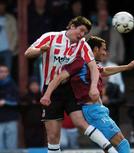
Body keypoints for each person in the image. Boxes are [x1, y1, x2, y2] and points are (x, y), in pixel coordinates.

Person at [25, 16, 117, 153]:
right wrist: (40, 50)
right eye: (80, 30)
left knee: (80, 123)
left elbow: (93, 67)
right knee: (53, 136)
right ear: (72, 26)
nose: (81, 35)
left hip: (70, 88)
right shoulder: (50, 37)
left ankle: (110, 150)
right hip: (50, 88)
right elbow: (28, 53)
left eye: (85, 33)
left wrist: (93, 87)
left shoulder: (83, 45)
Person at [41, 36, 134, 152]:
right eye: (103, 49)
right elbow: (59, 77)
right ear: (95, 49)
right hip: (93, 110)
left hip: (97, 109)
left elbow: (104, 70)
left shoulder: (90, 64)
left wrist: (127, 67)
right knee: (122, 144)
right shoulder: (80, 62)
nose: (105, 53)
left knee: (109, 147)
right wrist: (47, 94)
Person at [0, 64, 19, 149]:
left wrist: (6, 102)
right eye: (1, 72)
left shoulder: (13, 85)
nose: (3, 74)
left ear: (8, 73)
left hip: (11, 119)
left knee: (11, 147)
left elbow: (17, 101)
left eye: (5, 72)